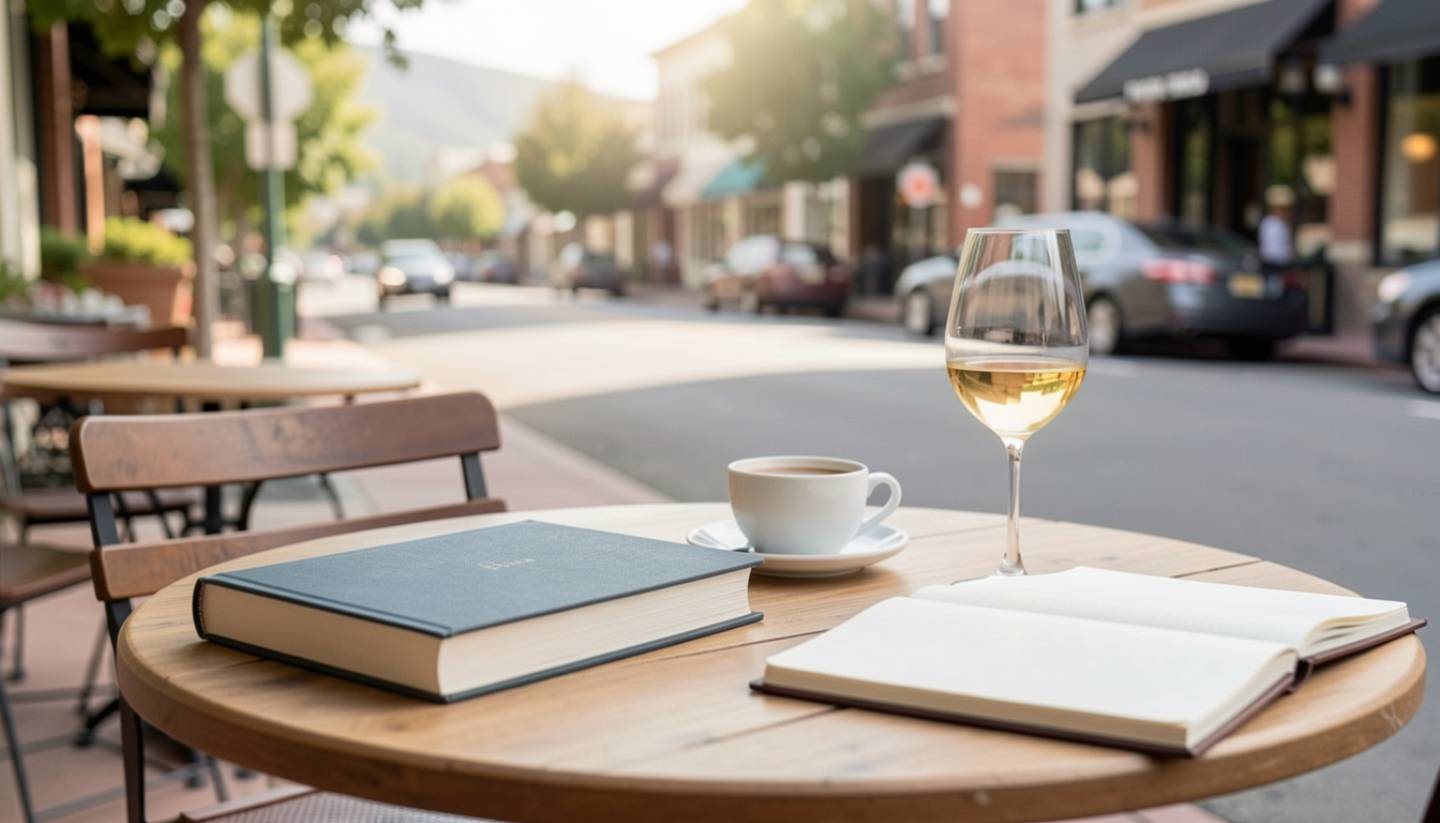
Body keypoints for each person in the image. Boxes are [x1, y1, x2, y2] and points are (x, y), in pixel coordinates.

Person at [1258, 185, 1295, 267]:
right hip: (1273, 267)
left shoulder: (1284, 224)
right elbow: (1271, 252)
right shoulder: (1269, 224)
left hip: (1284, 267)